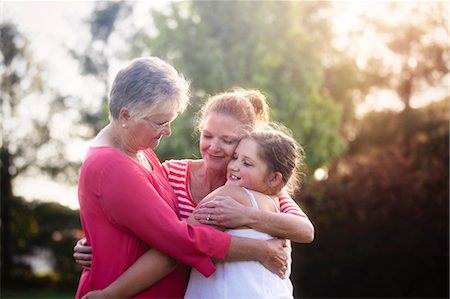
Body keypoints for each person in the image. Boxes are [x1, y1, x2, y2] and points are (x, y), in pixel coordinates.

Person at [75, 57, 289, 299]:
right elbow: (179, 238)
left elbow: (301, 226)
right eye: (160, 122)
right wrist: (260, 250)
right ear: (126, 116)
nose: (168, 131)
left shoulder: (141, 152)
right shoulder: (113, 167)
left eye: (227, 140)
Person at [81, 125, 305, 298]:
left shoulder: (229, 195)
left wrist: (113, 293)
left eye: (247, 163)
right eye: (236, 157)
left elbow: (177, 247)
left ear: (274, 178)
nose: (234, 166)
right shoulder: (277, 204)